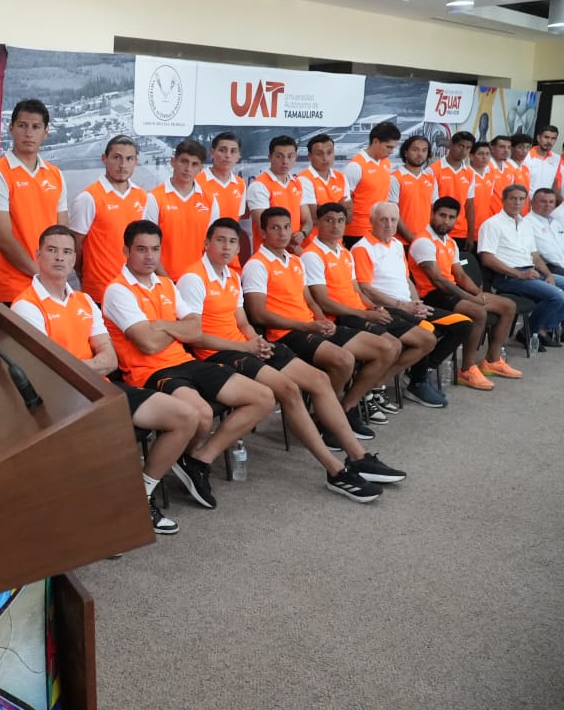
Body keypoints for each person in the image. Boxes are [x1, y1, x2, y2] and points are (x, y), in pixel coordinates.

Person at [179, 218, 400, 501]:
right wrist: (246, 347)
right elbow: (195, 337)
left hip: (246, 346)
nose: (226, 247)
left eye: (232, 242)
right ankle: (335, 470)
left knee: (320, 380)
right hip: (219, 353)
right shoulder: (193, 278)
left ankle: (358, 456)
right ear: (206, 243)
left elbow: (244, 321)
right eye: (220, 240)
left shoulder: (231, 276)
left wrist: (254, 341)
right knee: (290, 390)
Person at [12, 225, 200, 532]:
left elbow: (109, 358)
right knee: (104, 436)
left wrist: (78, 364)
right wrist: (88, 363)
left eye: (67, 251)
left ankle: (141, 494)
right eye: (52, 250)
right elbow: (48, 369)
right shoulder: (26, 305)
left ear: (75, 258)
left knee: (185, 416)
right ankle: (104, 520)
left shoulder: (85, 301)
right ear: (38, 255)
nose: (60, 257)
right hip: (61, 399)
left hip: (102, 390)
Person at [102, 220, 276, 510]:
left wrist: (161, 326)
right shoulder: (118, 290)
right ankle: (144, 487)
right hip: (150, 372)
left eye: (155, 249)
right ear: (125, 251)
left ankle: (198, 460)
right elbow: (147, 344)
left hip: (185, 360)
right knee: (202, 415)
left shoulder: (166, 284)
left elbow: (195, 330)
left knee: (263, 398)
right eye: (141, 249)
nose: (149, 256)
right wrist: (175, 328)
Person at [241, 208, 399, 441]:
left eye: (286, 227)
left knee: (386, 348)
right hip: (285, 333)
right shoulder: (257, 264)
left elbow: (309, 299)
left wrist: (320, 319)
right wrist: (307, 326)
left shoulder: (294, 260)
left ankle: (344, 408)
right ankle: (327, 418)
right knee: (344, 360)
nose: (283, 233)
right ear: (263, 232)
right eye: (275, 227)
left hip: (310, 326)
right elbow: (258, 314)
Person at [303, 203, 435, 411]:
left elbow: (357, 291)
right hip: (342, 315)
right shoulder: (312, 255)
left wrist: (375, 308)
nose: (335, 226)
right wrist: (365, 313)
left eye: (340, 221)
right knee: (392, 346)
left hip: (362, 311)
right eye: (329, 220)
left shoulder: (343, 252)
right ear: (317, 223)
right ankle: (351, 404)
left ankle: (369, 390)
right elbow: (323, 301)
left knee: (427, 339)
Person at [351, 203, 472, 408]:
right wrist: (403, 305)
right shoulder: (362, 248)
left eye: (393, 220)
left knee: (464, 323)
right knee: (428, 330)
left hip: (408, 304)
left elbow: (407, 280)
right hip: (387, 308)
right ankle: (415, 382)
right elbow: (366, 289)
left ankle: (419, 371)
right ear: (371, 221)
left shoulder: (398, 245)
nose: (389, 225)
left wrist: (417, 302)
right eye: (383, 220)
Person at [409, 197, 519, 388]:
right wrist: (469, 298)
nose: (446, 221)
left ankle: (492, 361)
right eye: (442, 215)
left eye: (451, 217)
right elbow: (439, 280)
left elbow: (459, 274)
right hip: (431, 295)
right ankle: (466, 370)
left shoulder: (450, 242)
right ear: (432, 214)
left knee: (508, 306)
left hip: (452, 291)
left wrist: (478, 293)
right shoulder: (423, 242)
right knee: (478, 311)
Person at [0, 99, 68, 306]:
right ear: (11, 128)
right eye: (22, 126)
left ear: (46, 131)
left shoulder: (55, 175)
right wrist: (41, 275)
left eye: (36, 127)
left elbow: (63, 233)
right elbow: (4, 240)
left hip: (50, 289)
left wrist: (53, 277)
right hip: (14, 291)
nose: (29, 133)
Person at [478, 183, 564, 349]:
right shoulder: (492, 224)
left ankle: (542, 329)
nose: (517, 202)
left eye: (521, 199)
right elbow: (487, 258)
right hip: (508, 277)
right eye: (513, 198)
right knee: (557, 295)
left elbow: (534, 255)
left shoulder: (525, 224)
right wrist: (519, 274)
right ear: (503, 200)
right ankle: (528, 332)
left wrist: (548, 274)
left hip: (531, 272)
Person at [70, 135, 155, 304]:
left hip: (134, 293)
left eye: (129, 159)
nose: (122, 165)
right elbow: (75, 247)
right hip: (100, 292)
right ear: (104, 159)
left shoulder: (143, 197)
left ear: (136, 161)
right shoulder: (89, 198)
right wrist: (86, 276)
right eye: (117, 157)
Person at [148, 138, 217, 282]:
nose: (188, 169)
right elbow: (147, 245)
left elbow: (212, 245)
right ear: (173, 162)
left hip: (198, 281)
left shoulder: (210, 201)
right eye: (184, 161)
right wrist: (166, 281)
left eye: (194, 164)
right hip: (163, 280)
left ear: (201, 169)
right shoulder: (155, 197)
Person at [245, 135, 313, 253]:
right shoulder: (259, 186)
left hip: (293, 257)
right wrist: (296, 248)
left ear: (295, 157)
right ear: (270, 157)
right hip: (268, 256)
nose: (285, 161)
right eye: (279, 156)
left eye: (290, 156)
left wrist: (303, 233)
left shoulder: (297, 183)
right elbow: (265, 227)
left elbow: (307, 220)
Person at [343, 121, 401, 246]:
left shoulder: (386, 163)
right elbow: (345, 200)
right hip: (357, 232)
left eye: (393, 147)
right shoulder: (356, 166)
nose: (391, 152)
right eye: (388, 147)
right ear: (375, 142)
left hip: (379, 230)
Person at [430, 131, 477, 248]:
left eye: (468, 148)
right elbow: (431, 204)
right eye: (461, 146)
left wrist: (470, 234)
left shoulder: (470, 173)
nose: (464, 151)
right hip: (439, 229)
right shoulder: (434, 170)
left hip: (461, 231)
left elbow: (469, 205)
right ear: (451, 145)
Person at [392, 135, 438, 245]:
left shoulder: (431, 179)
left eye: (424, 150)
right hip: (401, 242)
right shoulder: (395, 178)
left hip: (426, 241)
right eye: (415, 149)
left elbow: (434, 210)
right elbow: (393, 213)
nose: (420, 154)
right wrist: (411, 238)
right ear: (406, 152)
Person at [523, 188, 564, 279]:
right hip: (550, 266)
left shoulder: (554, 222)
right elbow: (546, 251)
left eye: (551, 202)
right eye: (543, 201)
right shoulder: (528, 223)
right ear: (532, 202)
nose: (548, 205)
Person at [469, 141, 498, 245]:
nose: (485, 157)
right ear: (471, 156)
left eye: (487, 154)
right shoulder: (468, 175)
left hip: (485, 228)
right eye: (480, 154)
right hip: (468, 229)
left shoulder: (491, 175)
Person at [525, 125, 560, 197]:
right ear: (538, 138)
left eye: (553, 138)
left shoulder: (557, 158)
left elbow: (555, 183)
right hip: (527, 203)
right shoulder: (525, 157)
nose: (549, 141)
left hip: (546, 204)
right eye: (546, 137)